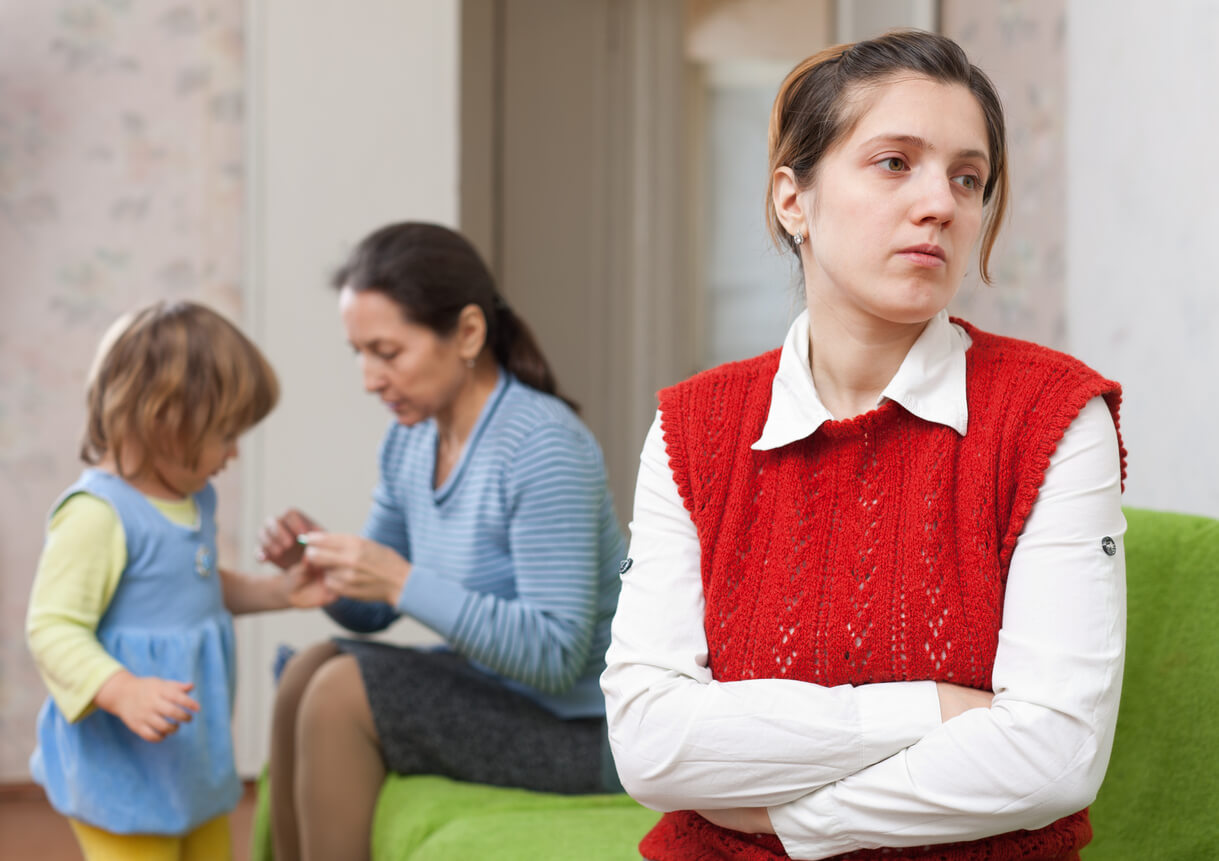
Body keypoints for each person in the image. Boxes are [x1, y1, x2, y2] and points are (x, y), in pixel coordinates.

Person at [602, 29, 1127, 861]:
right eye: (893, 162)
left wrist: (791, 821)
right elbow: (649, 744)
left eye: (967, 177)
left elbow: (1053, 757)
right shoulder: (692, 427)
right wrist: (931, 710)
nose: (940, 204)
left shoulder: (1052, 415)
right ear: (791, 200)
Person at [257, 222, 626, 861]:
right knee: (310, 670)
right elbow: (373, 611)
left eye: (387, 352)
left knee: (340, 695)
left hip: (584, 729)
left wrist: (400, 580)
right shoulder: (410, 439)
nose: (369, 378)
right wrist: (328, 574)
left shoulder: (542, 447)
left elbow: (557, 653)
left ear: (468, 334)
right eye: (358, 353)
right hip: (494, 689)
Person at [25, 301, 334, 861]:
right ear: (163, 420)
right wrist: (122, 689)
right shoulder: (97, 515)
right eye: (225, 433)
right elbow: (52, 628)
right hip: (125, 775)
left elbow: (193, 590)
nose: (235, 452)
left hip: (190, 767)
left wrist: (277, 593)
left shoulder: (194, 499)